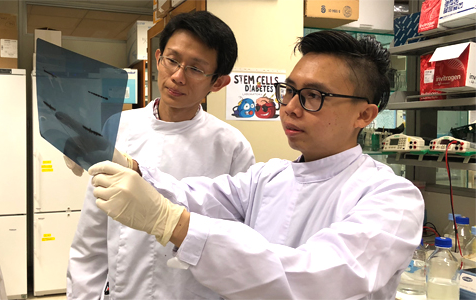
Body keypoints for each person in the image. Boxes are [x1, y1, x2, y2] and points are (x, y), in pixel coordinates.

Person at [88, 30, 425, 299]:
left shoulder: (392, 199)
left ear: (364, 114)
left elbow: (312, 278)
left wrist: (170, 222)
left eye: (314, 95)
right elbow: (198, 195)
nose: (290, 107)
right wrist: (130, 167)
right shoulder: (270, 176)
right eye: (289, 90)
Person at [66, 11, 256, 300]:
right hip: (125, 290)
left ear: (217, 83)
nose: (178, 76)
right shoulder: (119, 128)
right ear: (158, 59)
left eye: (196, 69)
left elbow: (238, 243)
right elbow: (91, 236)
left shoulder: (231, 146)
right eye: (172, 60)